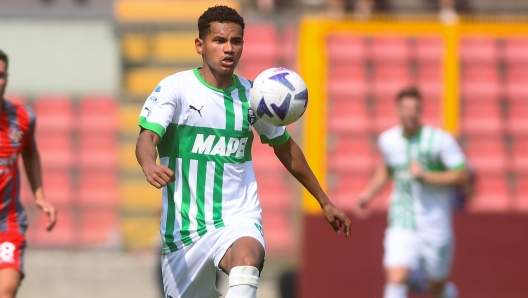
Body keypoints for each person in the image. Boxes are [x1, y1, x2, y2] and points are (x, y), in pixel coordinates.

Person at [135, 5, 351, 298]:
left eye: (236, 42)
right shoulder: (176, 89)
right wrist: (149, 165)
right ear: (200, 45)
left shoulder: (255, 97)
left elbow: (285, 147)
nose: (229, 49)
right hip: (184, 229)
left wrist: (324, 200)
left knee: (247, 260)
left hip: (238, 215)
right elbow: (147, 138)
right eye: (219, 40)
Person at [354, 87, 467, 298]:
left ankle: (447, 292)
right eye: (406, 108)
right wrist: (368, 194)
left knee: (437, 288)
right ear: (397, 110)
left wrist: (427, 175)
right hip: (401, 222)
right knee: (395, 279)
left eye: (415, 108)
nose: (410, 113)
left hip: (435, 224)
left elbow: (461, 175)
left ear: (421, 110)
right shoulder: (388, 140)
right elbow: (388, 168)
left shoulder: (439, 140)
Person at [0, 50, 57, 298]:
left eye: (1, 75)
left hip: (7, 223)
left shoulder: (23, 117)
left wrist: (39, 194)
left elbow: (30, 153)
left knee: (7, 289)